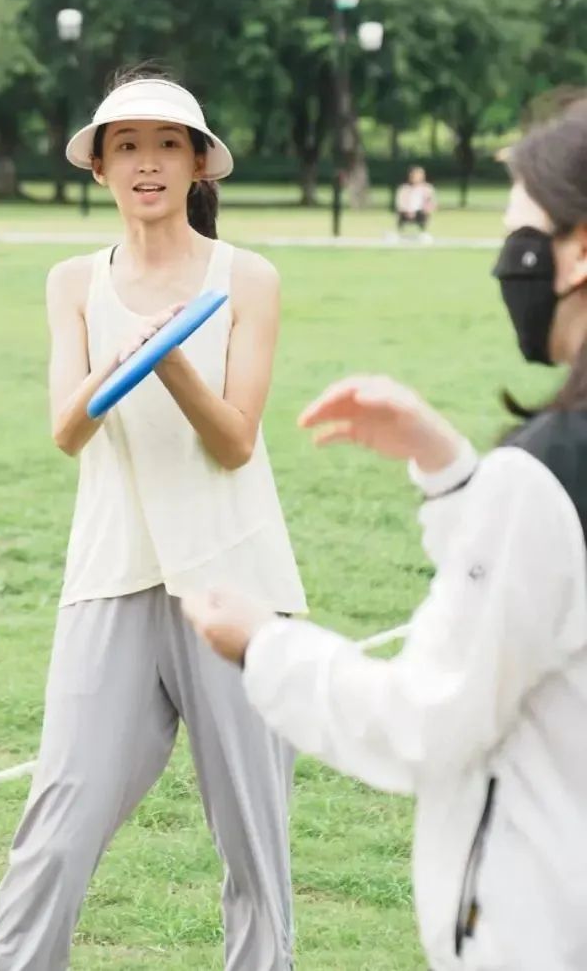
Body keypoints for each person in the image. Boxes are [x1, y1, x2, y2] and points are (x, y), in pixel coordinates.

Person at [185, 96, 587, 971]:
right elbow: (550, 594)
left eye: (522, 238)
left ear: (579, 249)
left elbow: (425, 722)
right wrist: (452, 474)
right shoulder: (534, 487)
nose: (507, 267)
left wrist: (265, 646)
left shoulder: (553, 471)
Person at [0, 73, 307, 971]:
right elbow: (66, 429)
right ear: (100, 168)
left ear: (201, 163)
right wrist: (123, 360)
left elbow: (237, 441)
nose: (147, 163)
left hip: (234, 577)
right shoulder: (72, 283)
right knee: (61, 816)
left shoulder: (249, 278)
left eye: (168, 144)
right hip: (111, 573)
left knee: (255, 841)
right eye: (125, 146)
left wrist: (173, 366)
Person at [395, 165, 437, 242]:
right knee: (400, 215)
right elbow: (399, 202)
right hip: (406, 211)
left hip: (420, 212)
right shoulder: (404, 188)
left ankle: (423, 233)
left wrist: (427, 208)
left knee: (424, 214)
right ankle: (400, 234)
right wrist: (407, 210)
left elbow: (431, 202)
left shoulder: (427, 188)